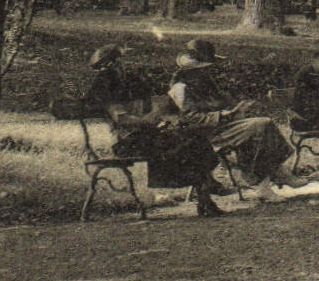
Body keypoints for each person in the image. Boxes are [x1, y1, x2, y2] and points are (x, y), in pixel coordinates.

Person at [83, 45, 225, 217]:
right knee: (187, 141)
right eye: (117, 63)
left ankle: (205, 195)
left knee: (193, 137)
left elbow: (154, 104)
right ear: (110, 65)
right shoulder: (104, 87)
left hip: (145, 136)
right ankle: (206, 192)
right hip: (127, 142)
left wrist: (157, 114)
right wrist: (149, 119)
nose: (122, 66)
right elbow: (122, 118)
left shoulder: (131, 82)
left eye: (120, 62)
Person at [167, 39, 307, 201]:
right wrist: (223, 115)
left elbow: (222, 104)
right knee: (260, 126)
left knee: (263, 124)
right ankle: (263, 183)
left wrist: (237, 108)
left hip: (222, 127)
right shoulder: (181, 88)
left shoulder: (205, 83)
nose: (207, 70)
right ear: (190, 69)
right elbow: (190, 118)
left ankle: (276, 172)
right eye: (203, 67)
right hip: (202, 134)